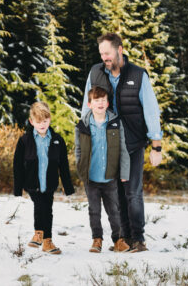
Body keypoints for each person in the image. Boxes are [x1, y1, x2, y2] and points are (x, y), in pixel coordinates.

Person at [80, 32, 163, 253]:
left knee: (132, 192)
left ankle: (138, 239)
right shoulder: (96, 73)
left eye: (107, 53)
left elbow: (151, 111)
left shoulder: (138, 75)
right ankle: (123, 239)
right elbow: (86, 108)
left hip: (133, 143)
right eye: (101, 54)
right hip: (106, 145)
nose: (104, 57)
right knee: (115, 194)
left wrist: (156, 146)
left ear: (119, 50)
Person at [12, 101, 75, 254]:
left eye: (45, 121)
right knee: (41, 206)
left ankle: (44, 239)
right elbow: (17, 165)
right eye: (39, 121)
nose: (42, 124)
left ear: (50, 120)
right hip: (32, 182)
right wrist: (18, 188)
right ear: (32, 121)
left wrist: (68, 187)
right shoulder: (25, 141)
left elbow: (64, 165)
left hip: (49, 183)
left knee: (47, 209)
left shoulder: (57, 140)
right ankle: (43, 236)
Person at [74, 85, 130, 253]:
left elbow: (123, 149)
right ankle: (96, 240)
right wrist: (80, 169)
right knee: (94, 211)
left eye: (103, 100)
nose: (100, 103)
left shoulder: (115, 123)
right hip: (90, 178)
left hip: (110, 176)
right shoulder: (82, 125)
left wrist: (124, 173)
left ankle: (118, 240)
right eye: (96, 100)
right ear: (90, 104)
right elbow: (78, 150)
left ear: (107, 103)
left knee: (114, 210)